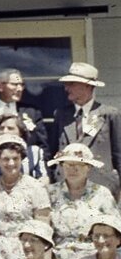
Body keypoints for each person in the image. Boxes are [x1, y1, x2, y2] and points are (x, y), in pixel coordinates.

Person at [51, 62, 120, 197]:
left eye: (72, 84)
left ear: (88, 86)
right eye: (66, 84)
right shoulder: (61, 114)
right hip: (67, 187)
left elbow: (119, 154)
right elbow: (52, 151)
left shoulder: (109, 114)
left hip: (101, 187)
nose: (66, 88)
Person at [47, 143, 121, 259]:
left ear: (88, 167)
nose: (73, 169)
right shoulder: (50, 193)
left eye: (79, 165)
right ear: (61, 166)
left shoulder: (102, 193)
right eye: (68, 164)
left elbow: (115, 229)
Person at [0, 135, 51, 259]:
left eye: (15, 158)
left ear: (22, 159)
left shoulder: (35, 187)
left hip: (27, 251)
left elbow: (43, 227)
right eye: (6, 159)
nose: (11, 163)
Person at [0, 69, 49, 153]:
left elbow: (43, 146)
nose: (20, 89)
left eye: (22, 85)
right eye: (14, 84)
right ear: (0, 87)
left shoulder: (32, 112)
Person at [0, 112, 50, 183]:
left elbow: (44, 178)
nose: (5, 131)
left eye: (10, 128)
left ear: (20, 132)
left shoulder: (35, 152)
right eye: (1, 128)